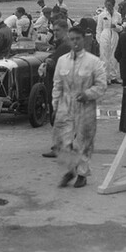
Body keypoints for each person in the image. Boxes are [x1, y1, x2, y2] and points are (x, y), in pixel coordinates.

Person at [51, 26, 108, 188]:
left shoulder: (93, 62)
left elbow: (102, 85)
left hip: (85, 106)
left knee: (84, 141)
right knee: (62, 141)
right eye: (72, 39)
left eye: (78, 39)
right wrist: (55, 105)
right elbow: (57, 85)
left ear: (84, 39)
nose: (75, 42)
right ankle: (71, 169)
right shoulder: (62, 61)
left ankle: (82, 174)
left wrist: (88, 94)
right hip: (65, 104)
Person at [40, 20, 74, 157]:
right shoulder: (64, 44)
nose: (55, 33)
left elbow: (58, 64)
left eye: (57, 30)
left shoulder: (65, 46)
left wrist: (48, 62)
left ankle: (59, 147)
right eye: (53, 30)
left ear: (65, 30)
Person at [96, 0, 123, 84]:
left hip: (114, 34)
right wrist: (99, 40)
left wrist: (115, 26)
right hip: (105, 34)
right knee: (104, 56)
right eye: (106, 5)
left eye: (110, 5)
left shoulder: (118, 15)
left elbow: (121, 28)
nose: (108, 7)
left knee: (114, 55)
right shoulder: (102, 15)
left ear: (113, 5)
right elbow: (98, 28)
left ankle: (113, 76)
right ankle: (105, 77)